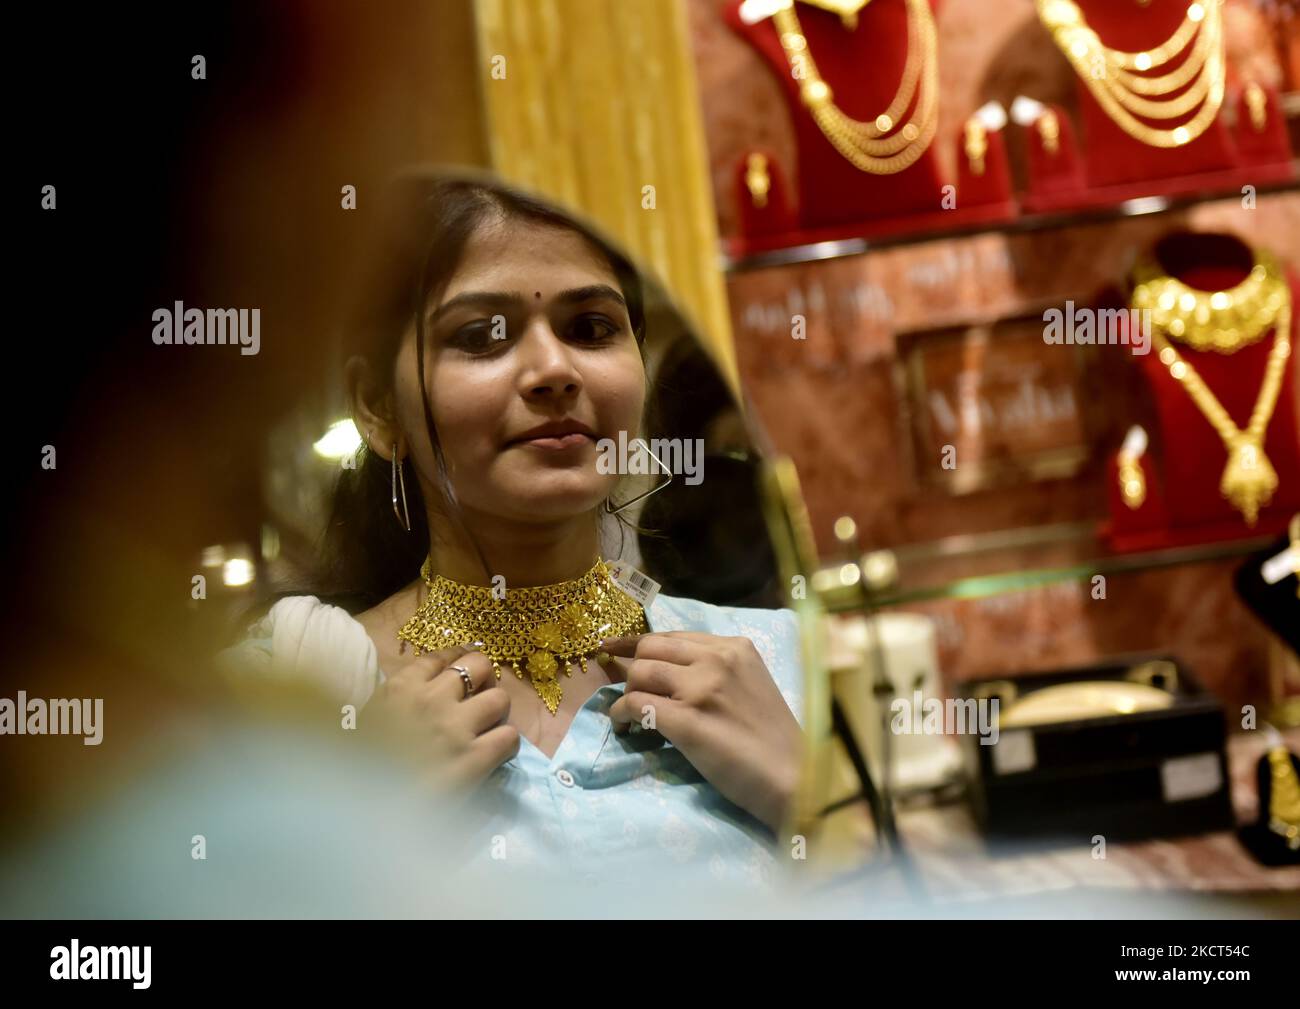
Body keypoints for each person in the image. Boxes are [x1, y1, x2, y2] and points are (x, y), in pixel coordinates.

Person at [220, 172, 805, 889]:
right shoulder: (285, 697)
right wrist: (344, 829)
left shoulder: (782, 664)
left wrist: (815, 800)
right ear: (378, 409)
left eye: (591, 327)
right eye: (480, 336)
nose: (554, 369)